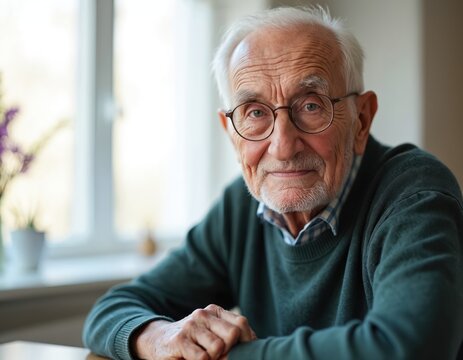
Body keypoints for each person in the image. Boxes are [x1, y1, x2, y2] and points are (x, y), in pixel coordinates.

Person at [83, 6, 463, 360]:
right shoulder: (239, 208)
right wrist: (161, 337)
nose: (282, 147)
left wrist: (219, 355)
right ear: (232, 133)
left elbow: (412, 344)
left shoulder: (412, 191)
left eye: (311, 106)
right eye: (254, 113)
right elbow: (111, 311)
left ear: (361, 120)